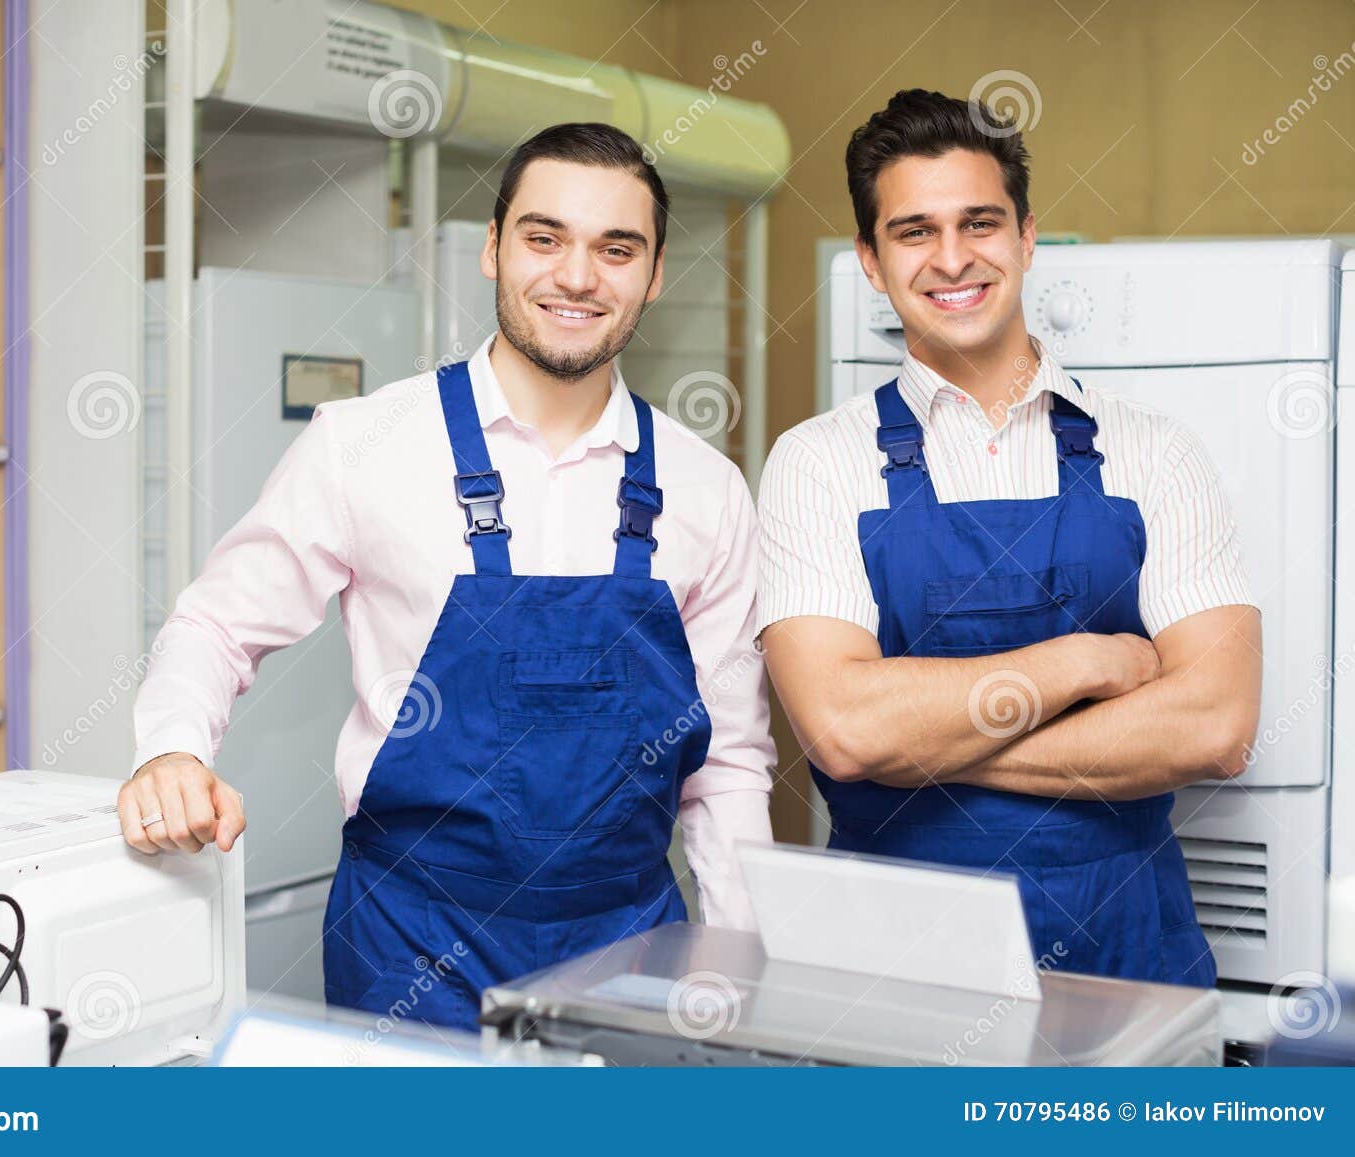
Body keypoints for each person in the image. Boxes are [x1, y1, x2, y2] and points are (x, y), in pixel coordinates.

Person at [123, 122, 776, 1029]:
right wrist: (172, 749)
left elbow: (729, 762)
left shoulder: (708, 489)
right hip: (411, 941)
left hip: (632, 946)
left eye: (616, 248)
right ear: (494, 247)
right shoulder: (364, 445)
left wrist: (743, 964)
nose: (578, 277)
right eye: (545, 238)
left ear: (656, 271)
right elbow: (215, 626)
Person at [758, 89, 1261, 987]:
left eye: (979, 222)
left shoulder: (1157, 452)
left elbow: (1217, 724)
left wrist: (930, 751)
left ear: (1026, 236)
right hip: (896, 964)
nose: (952, 258)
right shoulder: (815, 464)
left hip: (1126, 951)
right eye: (914, 232)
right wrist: (1085, 665)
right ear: (870, 262)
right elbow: (843, 733)